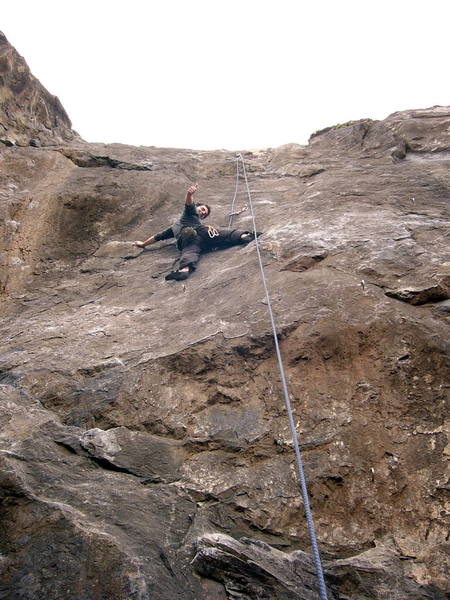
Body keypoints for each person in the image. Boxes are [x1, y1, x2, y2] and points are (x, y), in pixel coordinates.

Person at [134, 184, 257, 280]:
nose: (203, 212)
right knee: (190, 249)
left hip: (201, 235)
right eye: (203, 209)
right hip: (191, 238)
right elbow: (158, 236)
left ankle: (185, 270)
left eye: (205, 213)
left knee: (195, 248)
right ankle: (244, 236)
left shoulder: (193, 219)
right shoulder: (189, 213)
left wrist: (143, 245)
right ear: (197, 206)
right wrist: (143, 244)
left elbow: (158, 237)